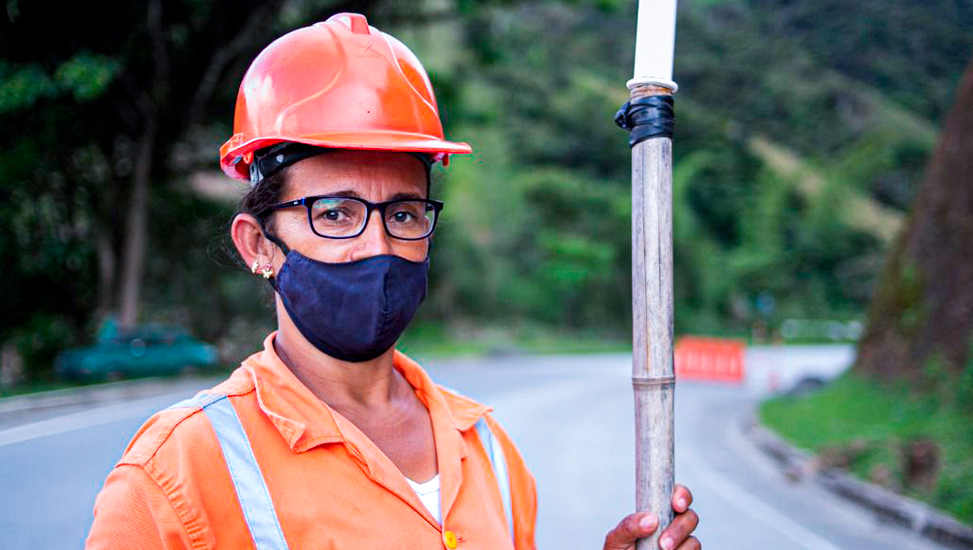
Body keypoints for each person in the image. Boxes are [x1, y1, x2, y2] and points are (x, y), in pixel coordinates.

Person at [85, 13, 699, 550]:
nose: (378, 246)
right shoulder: (174, 476)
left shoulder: (491, 453)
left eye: (403, 213)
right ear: (258, 245)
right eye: (335, 214)